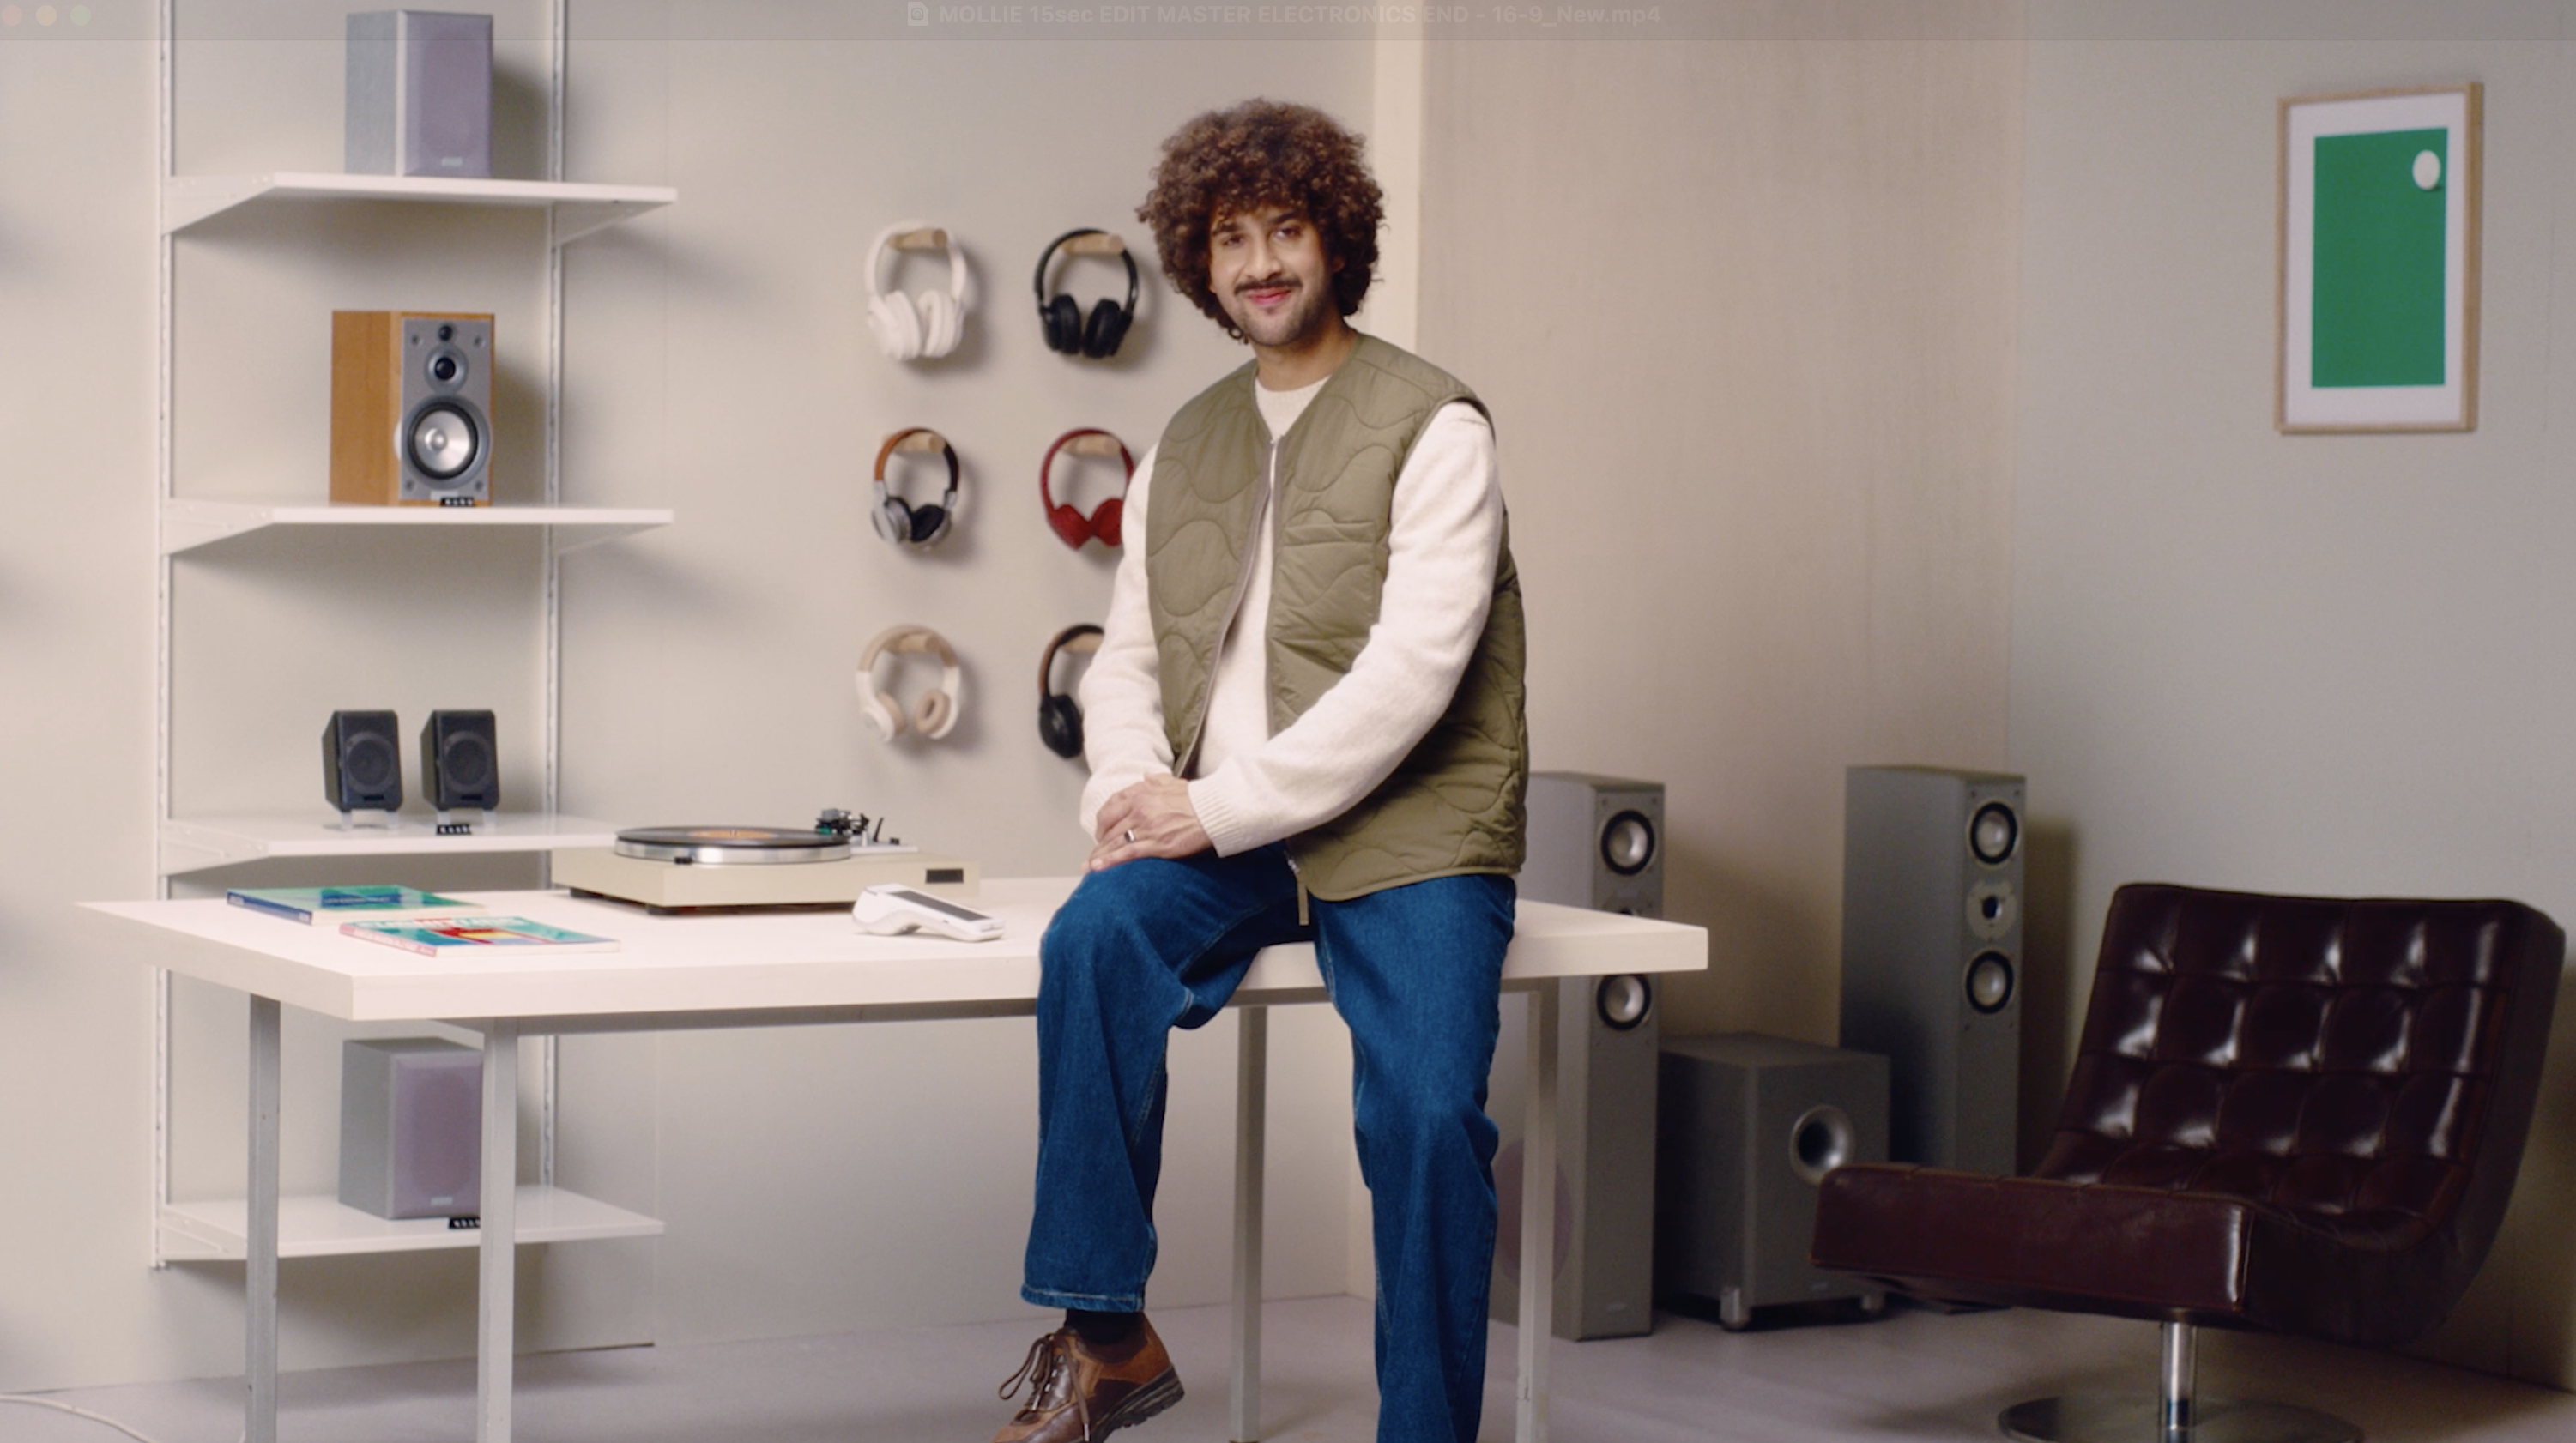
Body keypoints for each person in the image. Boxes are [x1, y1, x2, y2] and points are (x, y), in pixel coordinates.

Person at [990, 98, 1527, 1443]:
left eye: (1286, 230)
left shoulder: (1436, 425)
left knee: (1424, 1118)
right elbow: (1125, 654)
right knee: (1093, 939)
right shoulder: (1184, 442)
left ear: (1335, 241)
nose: (1261, 262)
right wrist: (1126, 789)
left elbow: (1413, 674)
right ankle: (1105, 1332)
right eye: (1232, 238)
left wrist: (1215, 803)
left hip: (1412, 833)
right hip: (1225, 831)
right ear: (1200, 260)